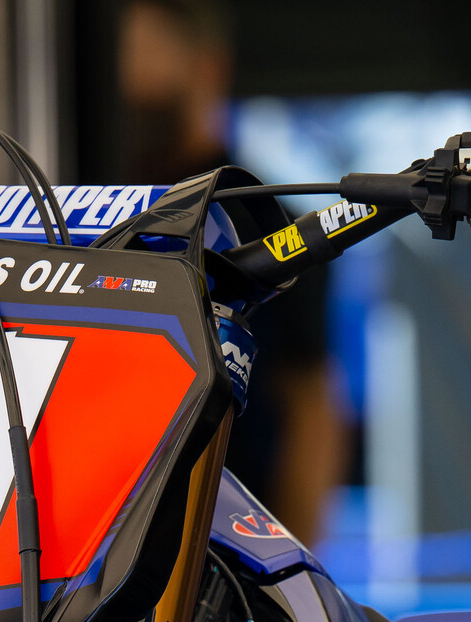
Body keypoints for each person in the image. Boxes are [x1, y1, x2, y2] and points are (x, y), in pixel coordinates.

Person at [117, 0, 347, 545]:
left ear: (208, 66)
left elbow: (312, 409)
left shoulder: (272, 225)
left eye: (149, 52)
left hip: (225, 546)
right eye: (122, 57)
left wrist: (285, 563)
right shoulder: (90, 211)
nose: (130, 78)